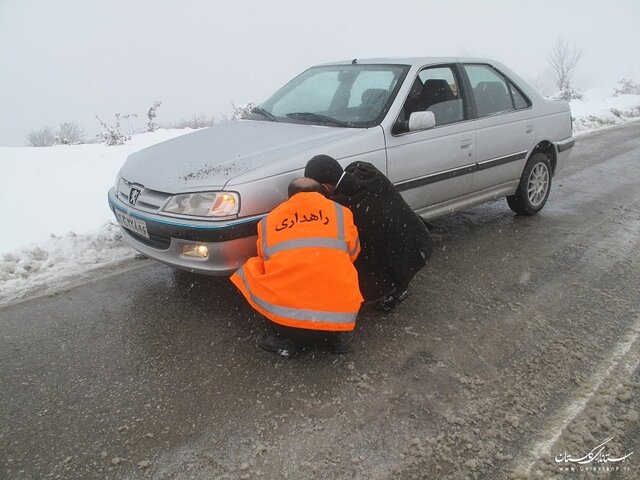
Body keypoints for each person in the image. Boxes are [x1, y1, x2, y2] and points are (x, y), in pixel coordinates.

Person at [230, 178, 363, 357]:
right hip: (337, 321)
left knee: (251, 267)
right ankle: (339, 339)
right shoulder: (342, 213)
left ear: (290, 197)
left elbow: (266, 257)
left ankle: (284, 341)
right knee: (341, 264)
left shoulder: (269, 221)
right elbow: (353, 252)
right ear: (321, 193)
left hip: (288, 325)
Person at [304, 155, 433, 312]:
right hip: (420, 238)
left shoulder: (344, 208)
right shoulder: (364, 169)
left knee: (355, 272)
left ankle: (394, 291)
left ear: (325, 188)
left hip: (412, 253)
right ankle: (396, 279)